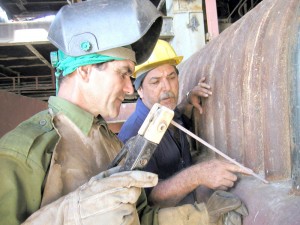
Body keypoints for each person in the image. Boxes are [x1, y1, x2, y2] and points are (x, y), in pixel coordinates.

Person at [0, 1, 248, 225]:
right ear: (85, 70)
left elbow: (140, 217)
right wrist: (70, 215)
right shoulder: (23, 154)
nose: (130, 87)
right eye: (122, 73)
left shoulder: (112, 144)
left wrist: (203, 216)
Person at [118, 39, 250, 208]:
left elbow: (179, 117)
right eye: (155, 81)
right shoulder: (134, 134)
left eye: (171, 77)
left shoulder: (168, 114)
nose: (167, 88)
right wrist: (198, 176)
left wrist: (188, 101)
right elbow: (148, 200)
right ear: (140, 90)